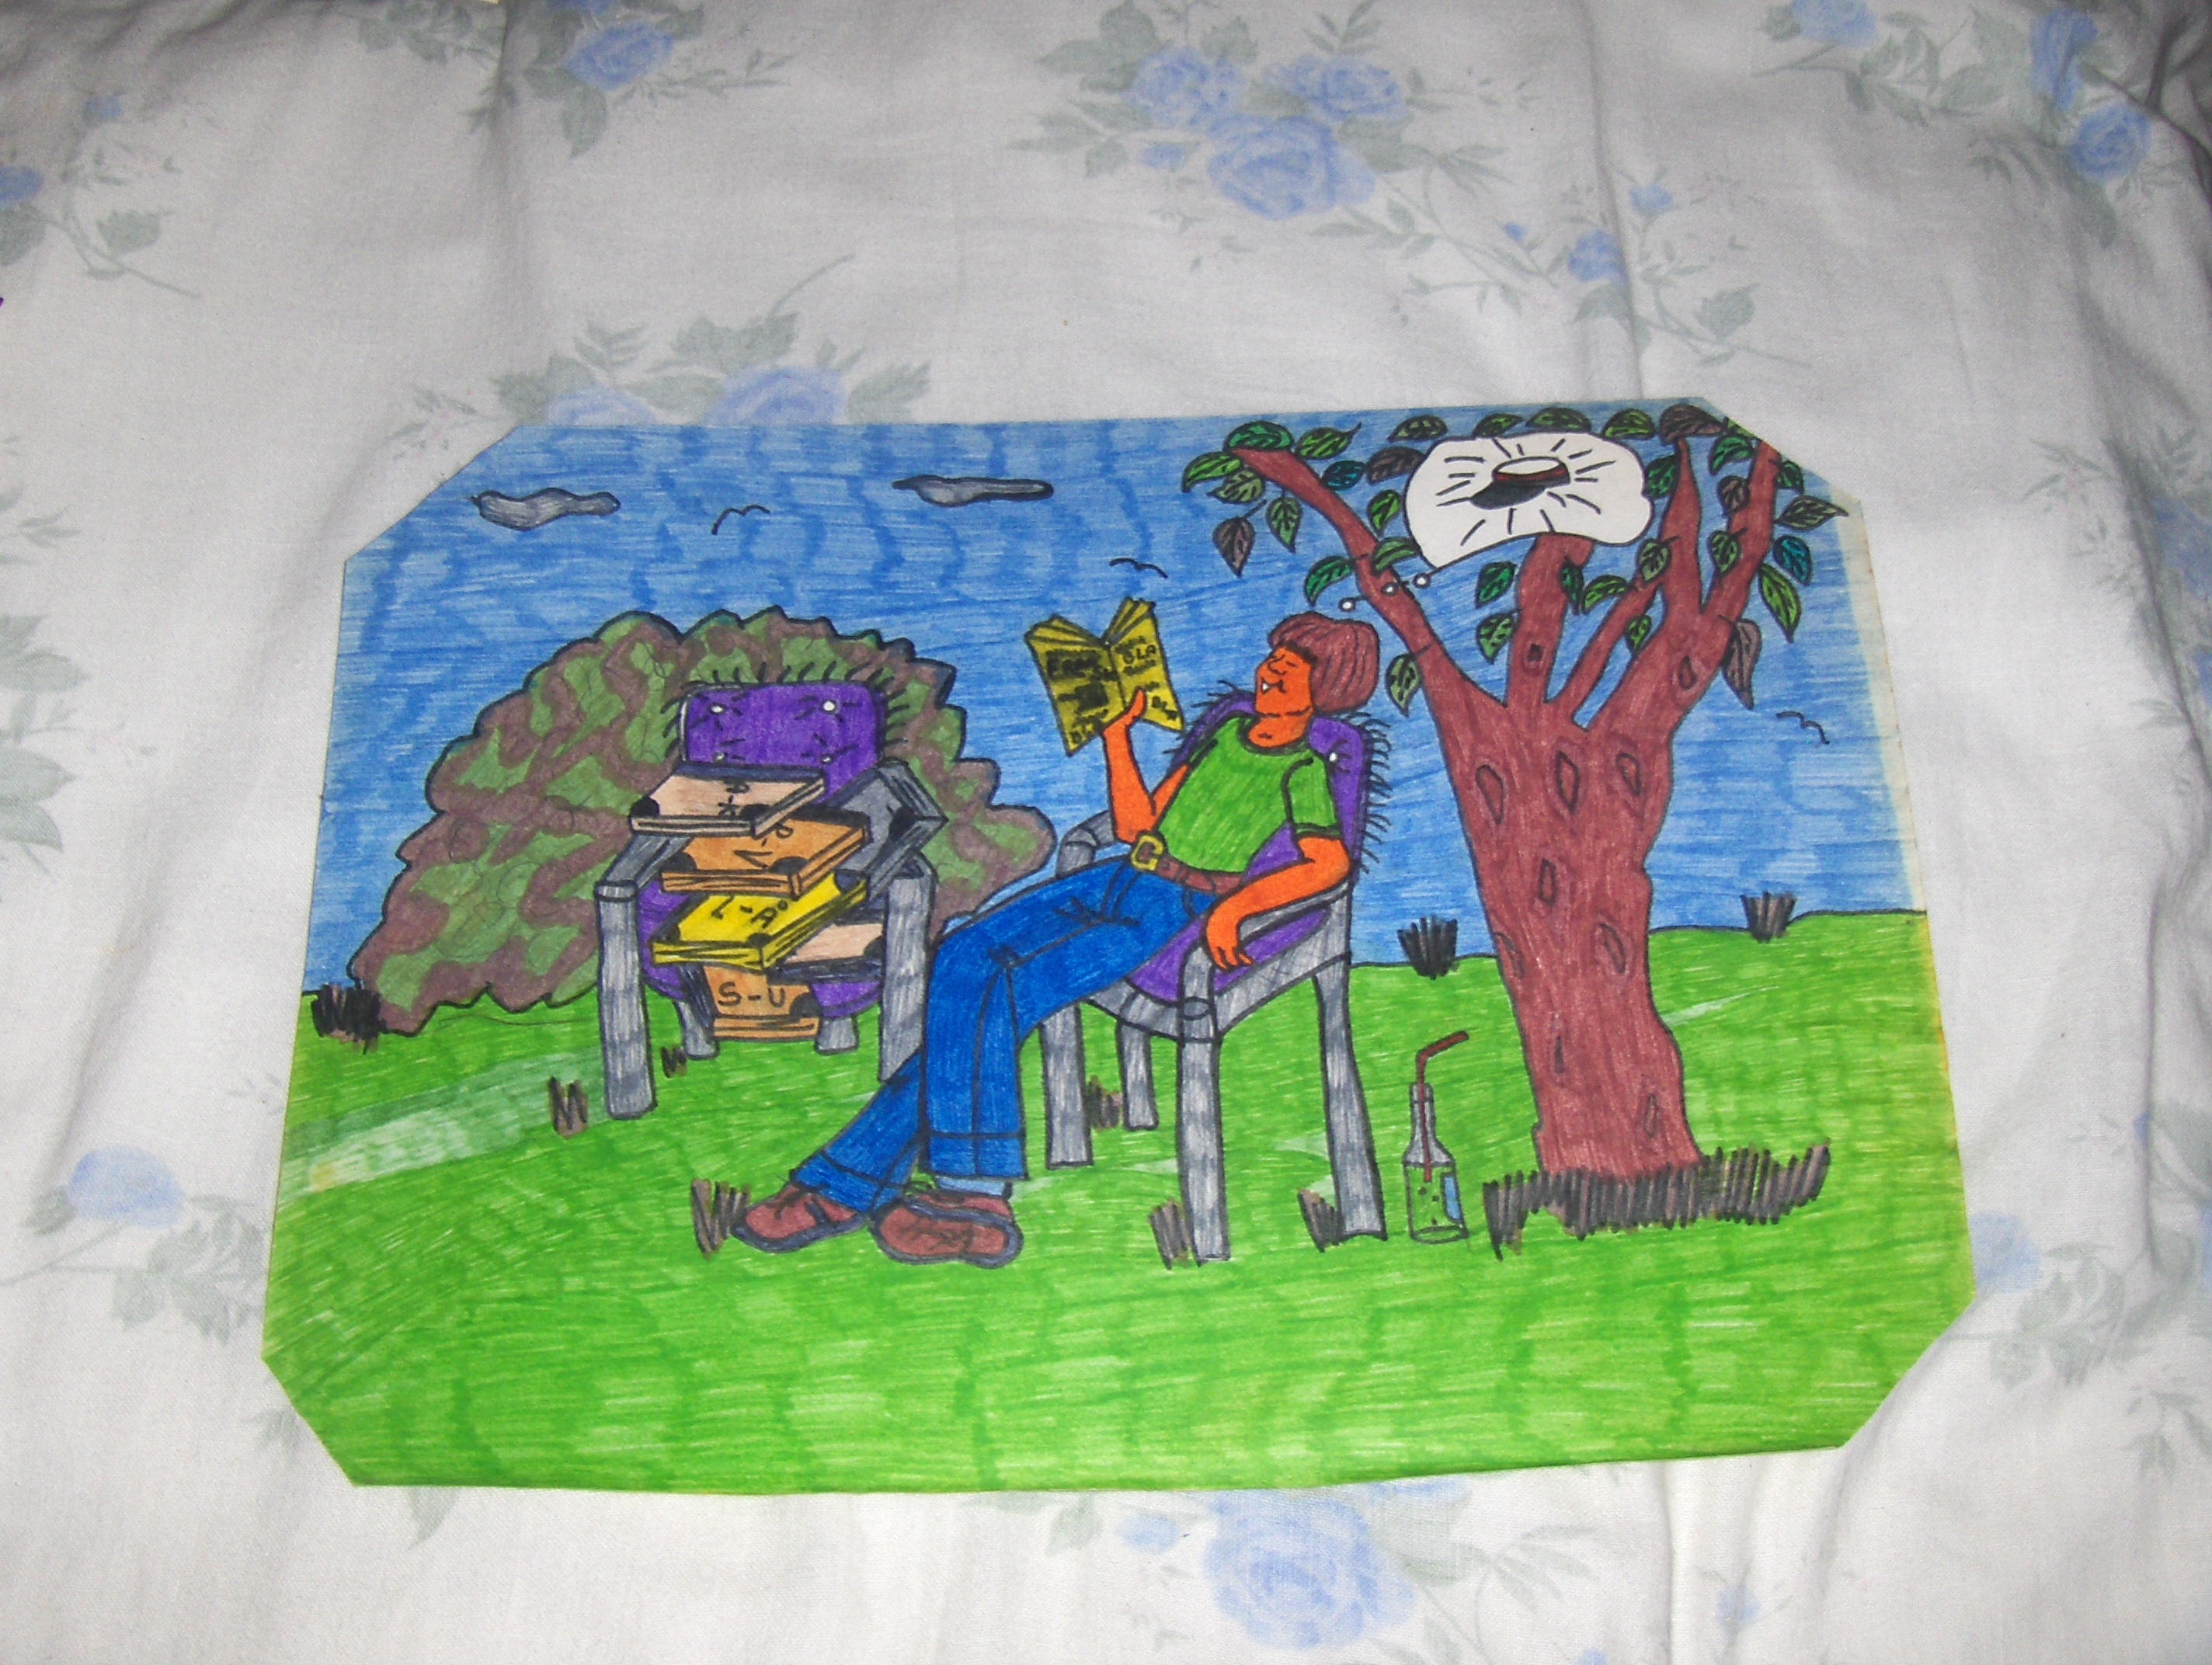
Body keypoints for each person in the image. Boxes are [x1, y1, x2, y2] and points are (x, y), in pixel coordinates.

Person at [732, 611, 1381, 1267]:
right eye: (1273, 661)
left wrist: (1237, 908)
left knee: (1009, 990)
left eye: (1290, 671)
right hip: (1120, 875)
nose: (1269, 674)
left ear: (1324, 689)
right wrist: (1117, 738)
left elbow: (1327, 864)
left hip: (1176, 907)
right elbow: (1136, 823)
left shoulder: (1303, 768)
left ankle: (915, 1191)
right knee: (962, 954)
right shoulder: (1227, 734)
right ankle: (940, 1196)